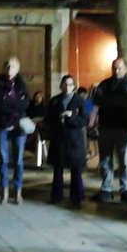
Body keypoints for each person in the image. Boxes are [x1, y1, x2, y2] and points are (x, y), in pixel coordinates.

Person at [91, 57, 127, 204]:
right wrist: (92, 122)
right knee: (105, 159)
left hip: (123, 128)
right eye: (114, 68)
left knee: (124, 160)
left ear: (126, 69)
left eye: (120, 68)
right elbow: (96, 104)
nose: (117, 71)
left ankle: (125, 189)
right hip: (106, 127)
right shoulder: (104, 85)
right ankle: (106, 188)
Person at [0, 56, 31, 204]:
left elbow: (26, 103)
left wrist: (8, 103)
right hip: (2, 125)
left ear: (18, 69)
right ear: (3, 68)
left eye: (13, 66)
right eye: (7, 66)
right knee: (3, 158)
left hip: (18, 126)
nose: (10, 69)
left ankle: (18, 191)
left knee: (18, 160)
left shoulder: (21, 85)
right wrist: (14, 104)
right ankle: (5, 190)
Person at [45, 74, 89, 206]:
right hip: (59, 138)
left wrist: (71, 117)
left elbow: (84, 120)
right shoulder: (54, 101)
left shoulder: (80, 101)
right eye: (65, 84)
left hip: (74, 139)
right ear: (61, 86)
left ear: (74, 87)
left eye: (70, 84)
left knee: (76, 169)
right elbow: (48, 119)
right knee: (58, 169)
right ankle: (57, 195)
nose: (67, 87)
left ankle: (77, 196)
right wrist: (58, 118)